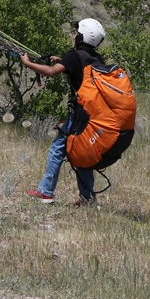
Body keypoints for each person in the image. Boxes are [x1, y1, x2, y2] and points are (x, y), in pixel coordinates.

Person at [20, 18, 107, 207]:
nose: (74, 35)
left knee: (58, 147)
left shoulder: (75, 55)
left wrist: (27, 64)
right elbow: (79, 72)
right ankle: (87, 198)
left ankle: (45, 192)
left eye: (77, 33)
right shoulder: (96, 58)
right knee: (82, 152)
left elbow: (51, 72)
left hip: (79, 114)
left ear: (82, 37)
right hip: (93, 115)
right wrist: (62, 61)